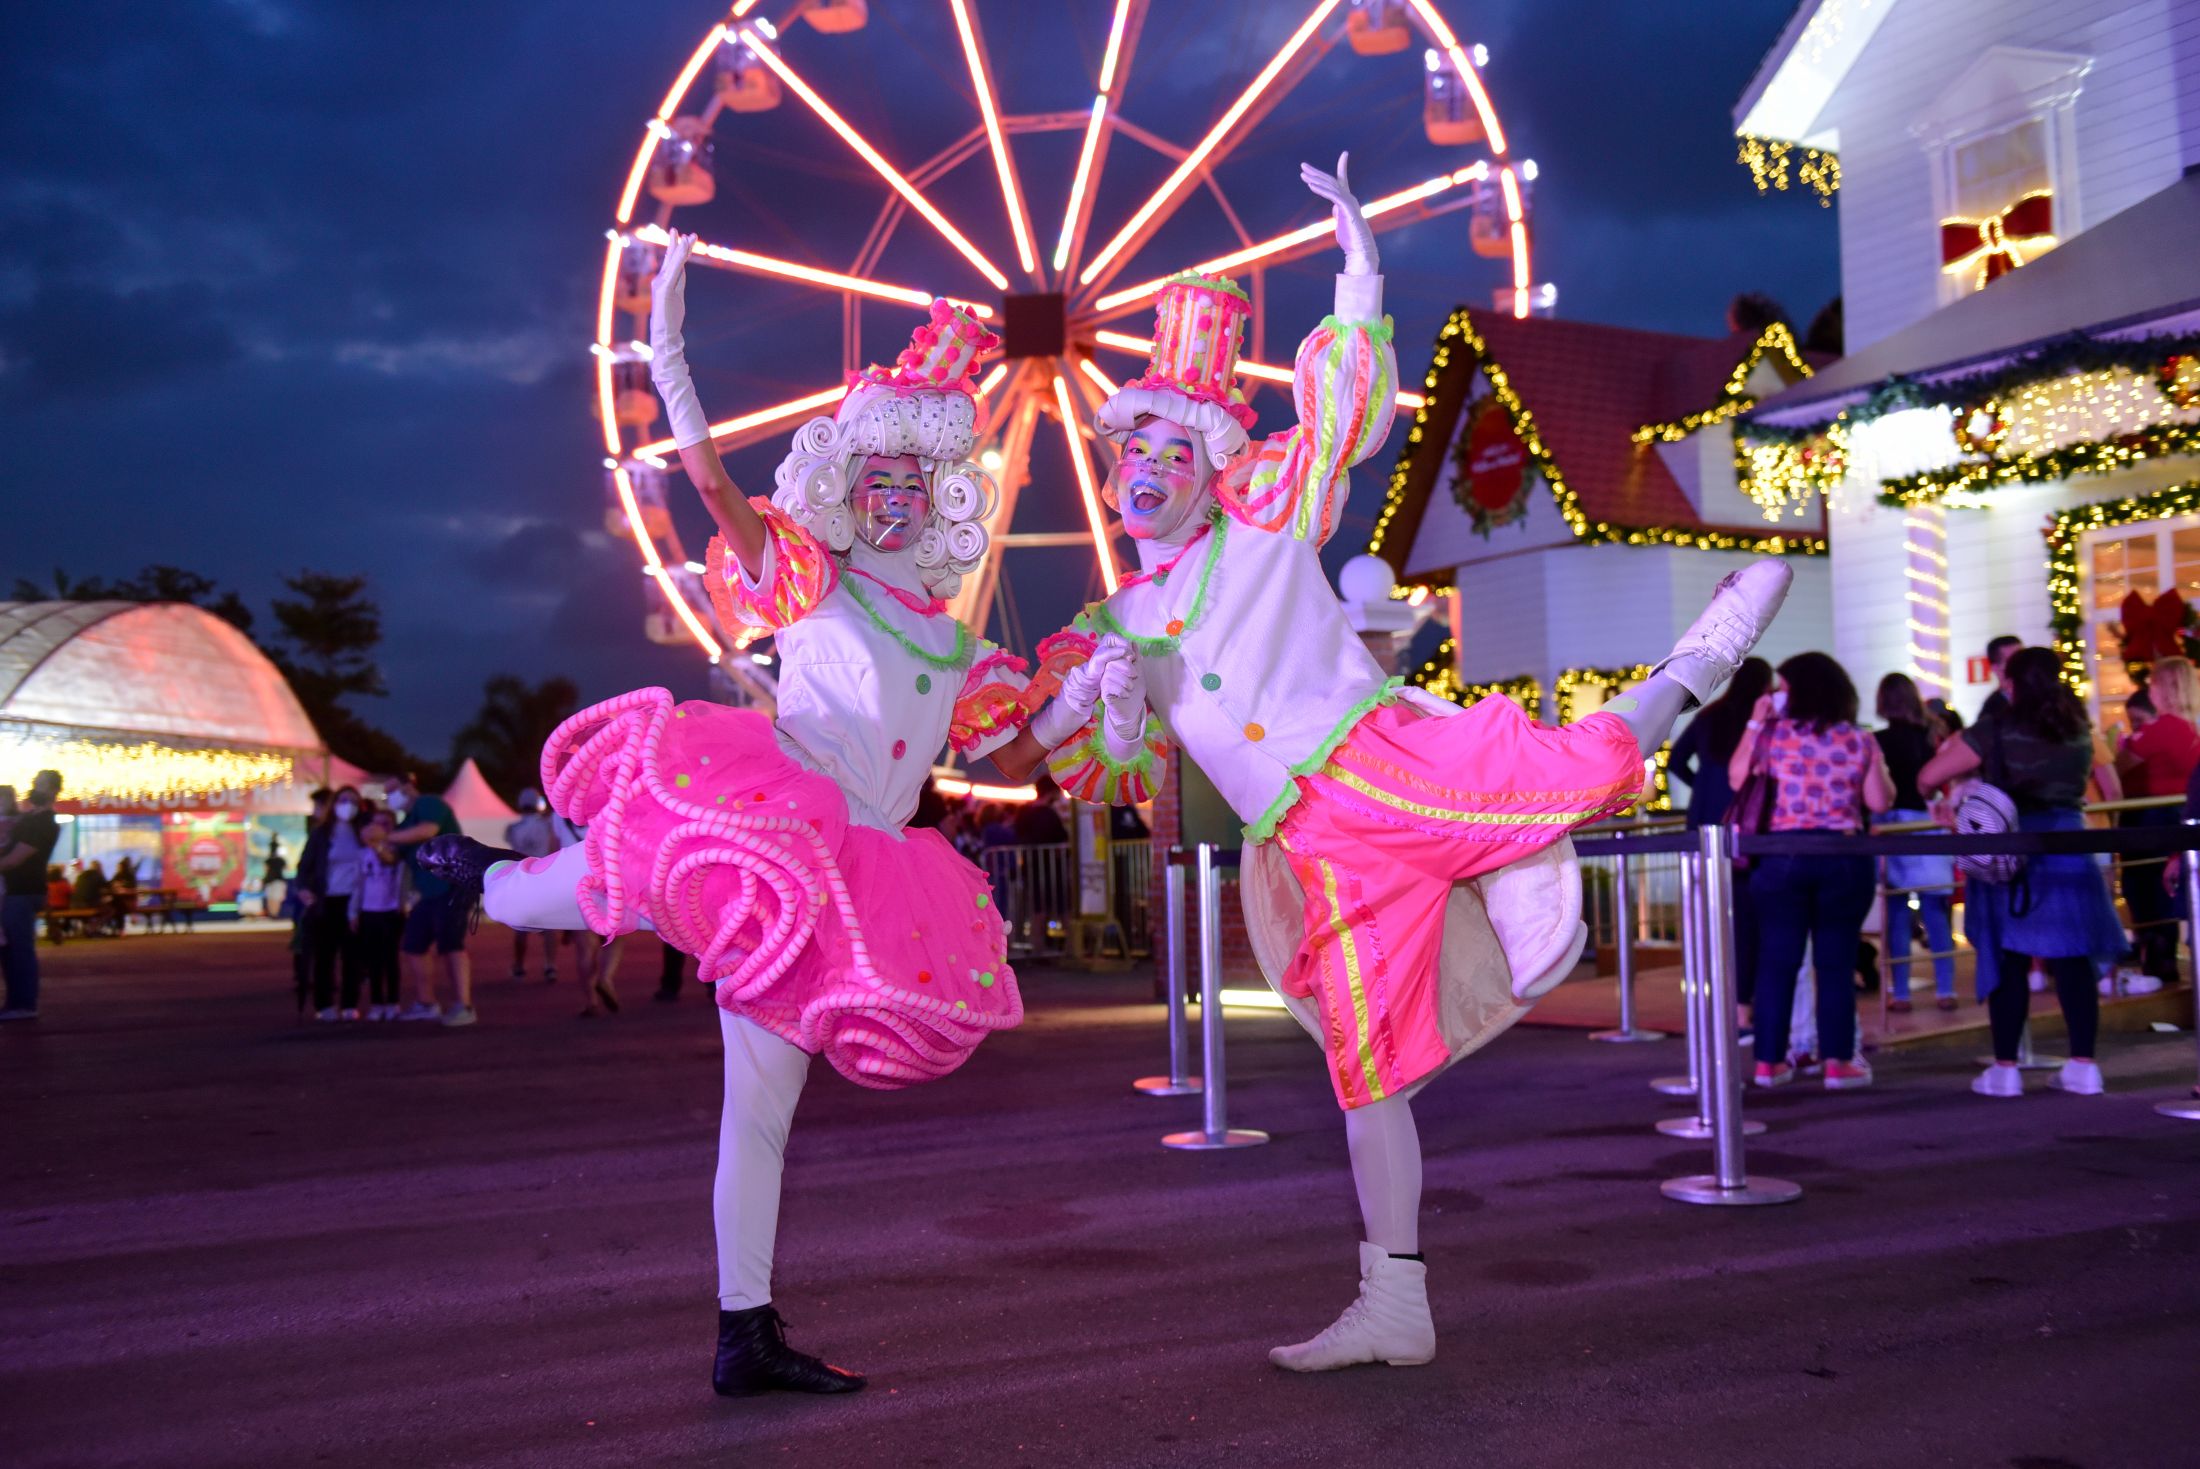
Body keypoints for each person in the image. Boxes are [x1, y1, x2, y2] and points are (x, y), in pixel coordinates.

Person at [993, 155, 1796, 1374]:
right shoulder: (1118, 619)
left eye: (1170, 448)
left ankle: (1697, 664)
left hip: (1372, 757)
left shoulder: (1264, 518)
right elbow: (1073, 759)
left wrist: (1359, 270)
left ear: (1210, 465)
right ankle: (1394, 1299)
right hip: (1311, 848)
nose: (1144, 467)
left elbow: (1334, 429)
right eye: (1128, 451)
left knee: (1570, 770)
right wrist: (1089, 715)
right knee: (1367, 1075)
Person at [411, 244, 1091, 1398]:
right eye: (872, 476)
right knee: (626, 864)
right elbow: (718, 492)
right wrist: (668, 353)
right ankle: (491, 871)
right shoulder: (812, 581)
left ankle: (744, 1332)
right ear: (844, 487)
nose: (890, 494)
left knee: (760, 1117)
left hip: (866, 870)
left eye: (909, 481)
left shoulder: (962, 647)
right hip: (781, 820)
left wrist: (1078, 701)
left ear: (941, 496)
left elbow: (1005, 758)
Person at [1920, 647, 2119, 1098]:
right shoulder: (2079, 729)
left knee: (2007, 956)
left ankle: (2006, 1069)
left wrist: (1946, 798)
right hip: (2071, 844)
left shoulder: (1994, 729)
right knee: (2074, 959)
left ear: (2010, 683)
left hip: (2008, 846)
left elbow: (1929, 774)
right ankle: (2083, 1066)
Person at [1726, 653, 1892, 1088]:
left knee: (1777, 960)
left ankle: (1769, 1062)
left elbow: (1737, 777)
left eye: (1782, 689)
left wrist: (1755, 722)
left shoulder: (1774, 737)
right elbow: (1879, 801)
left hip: (1782, 855)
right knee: (1835, 962)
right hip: (1843, 855)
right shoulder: (1859, 740)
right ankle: (1837, 1062)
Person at [2113, 657, 2200, 988]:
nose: (2149, 689)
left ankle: (2156, 964)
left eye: (2153, 684)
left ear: (2166, 687)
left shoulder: (2161, 729)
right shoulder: (2190, 728)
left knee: (2145, 890)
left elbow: (2118, 769)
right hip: (2177, 817)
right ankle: (2163, 962)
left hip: (2149, 820)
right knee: (2164, 892)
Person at [1874, 672, 1957, 1013]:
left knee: (1895, 913)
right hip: (1926, 821)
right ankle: (1946, 988)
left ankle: (1901, 992)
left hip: (1890, 826)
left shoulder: (1876, 740)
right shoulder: (1933, 736)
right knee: (1936, 911)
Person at [384, 773, 475, 1026]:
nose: (389, 797)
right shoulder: (403, 826)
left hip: (452, 888)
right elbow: (391, 857)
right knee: (413, 945)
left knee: (451, 946)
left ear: (409, 786)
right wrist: (374, 842)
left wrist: (383, 838)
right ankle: (426, 1003)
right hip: (428, 895)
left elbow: (427, 830)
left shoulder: (429, 804)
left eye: (392, 790)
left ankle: (464, 1006)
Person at [294, 785, 370, 1020]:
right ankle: (324, 1005)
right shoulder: (321, 834)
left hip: (355, 902)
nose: (349, 806)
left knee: (352, 956)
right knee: (324, 955)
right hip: (326, 901)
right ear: (334, 804)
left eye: (354, 802)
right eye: (344, 800)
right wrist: (304, 890)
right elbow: (304, 867)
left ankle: (349, 1004)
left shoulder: (364, 833)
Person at [1669, 657, 1772, 829]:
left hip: (1705, 806)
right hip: (1745, 806)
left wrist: (1700, 784)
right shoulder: (1761, 720)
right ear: (1765, 684)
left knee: (1706, 853)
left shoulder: (1708, 715)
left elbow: (1675, 761)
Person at [0, 770, 64, 1020]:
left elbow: (15, 860)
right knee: (10, 948)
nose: (34, 788)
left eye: (40, 784)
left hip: (22, 891)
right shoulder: (30, 818)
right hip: (18, 890)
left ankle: (24, 1004)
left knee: (18, 949)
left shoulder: (43, 823)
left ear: (53, 790)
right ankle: (16, 1002)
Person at [504, 789, 560, 982]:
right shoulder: (547, 825)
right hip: (544, 878)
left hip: (522, 878)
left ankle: (519, 966)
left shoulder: (513, 828)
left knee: (520, 926)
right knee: (550, 927)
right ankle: (550, 966)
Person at [355, 809, 406, 1020]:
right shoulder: (362, 854)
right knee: (373, 960)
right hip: (369, 911)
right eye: (374, 824)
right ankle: (377, 1002)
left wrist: (377, 844)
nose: (377, 828)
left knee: (391, 958)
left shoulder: (397, 850)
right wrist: (353, 911)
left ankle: (393, 1002)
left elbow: (389, 860)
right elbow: (357, 885)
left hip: (390, 910)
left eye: (384, 824)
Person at [1977, 635, 2023, 726]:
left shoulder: (2040, 696)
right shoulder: (1991, 712)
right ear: (1995, 668)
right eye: (2013, 660)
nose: (2022, 664)